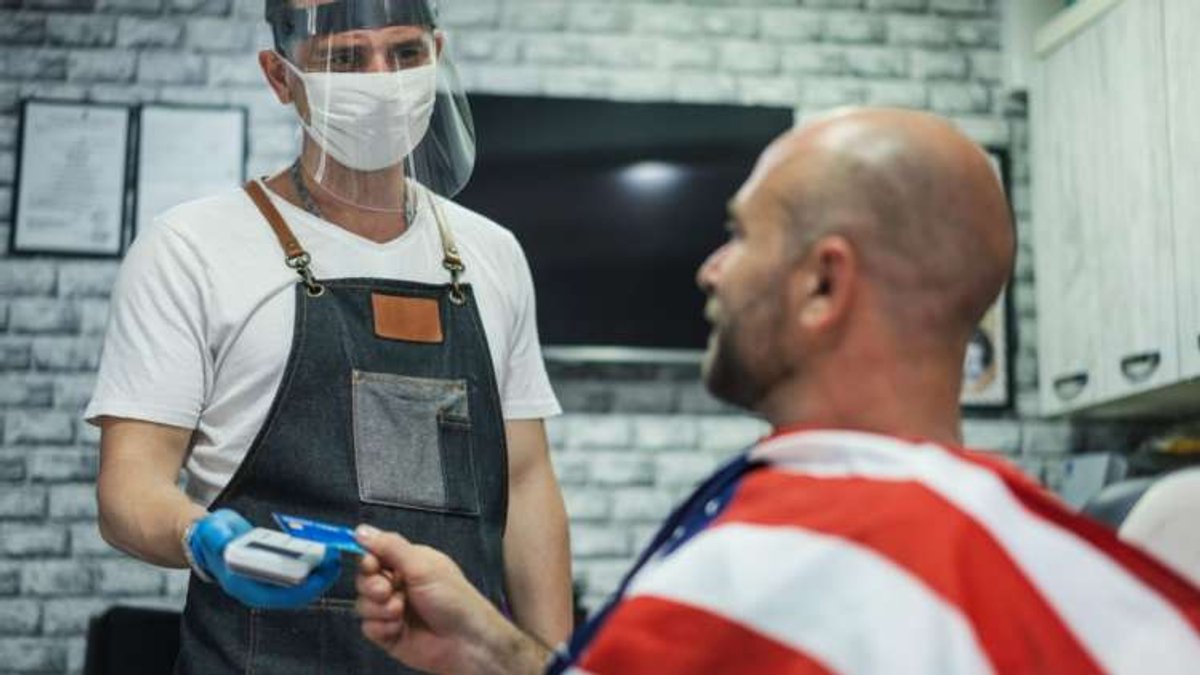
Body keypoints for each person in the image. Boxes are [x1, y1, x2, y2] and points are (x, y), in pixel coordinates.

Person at [353, 107, 1200, 674]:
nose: (711, 268)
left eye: (739, 234)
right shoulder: (1086, 576)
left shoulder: (768, 561)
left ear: (824, 284)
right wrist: (487, 643)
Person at [86, 0, 572, 672]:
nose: (381, 79)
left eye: (405, 53)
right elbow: (128, 488)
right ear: (280, 76)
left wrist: (555, 662)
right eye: (345, 58)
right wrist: (204, 539)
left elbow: (527, 480)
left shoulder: (490, 253)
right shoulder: (191, 248)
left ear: (437, 54)